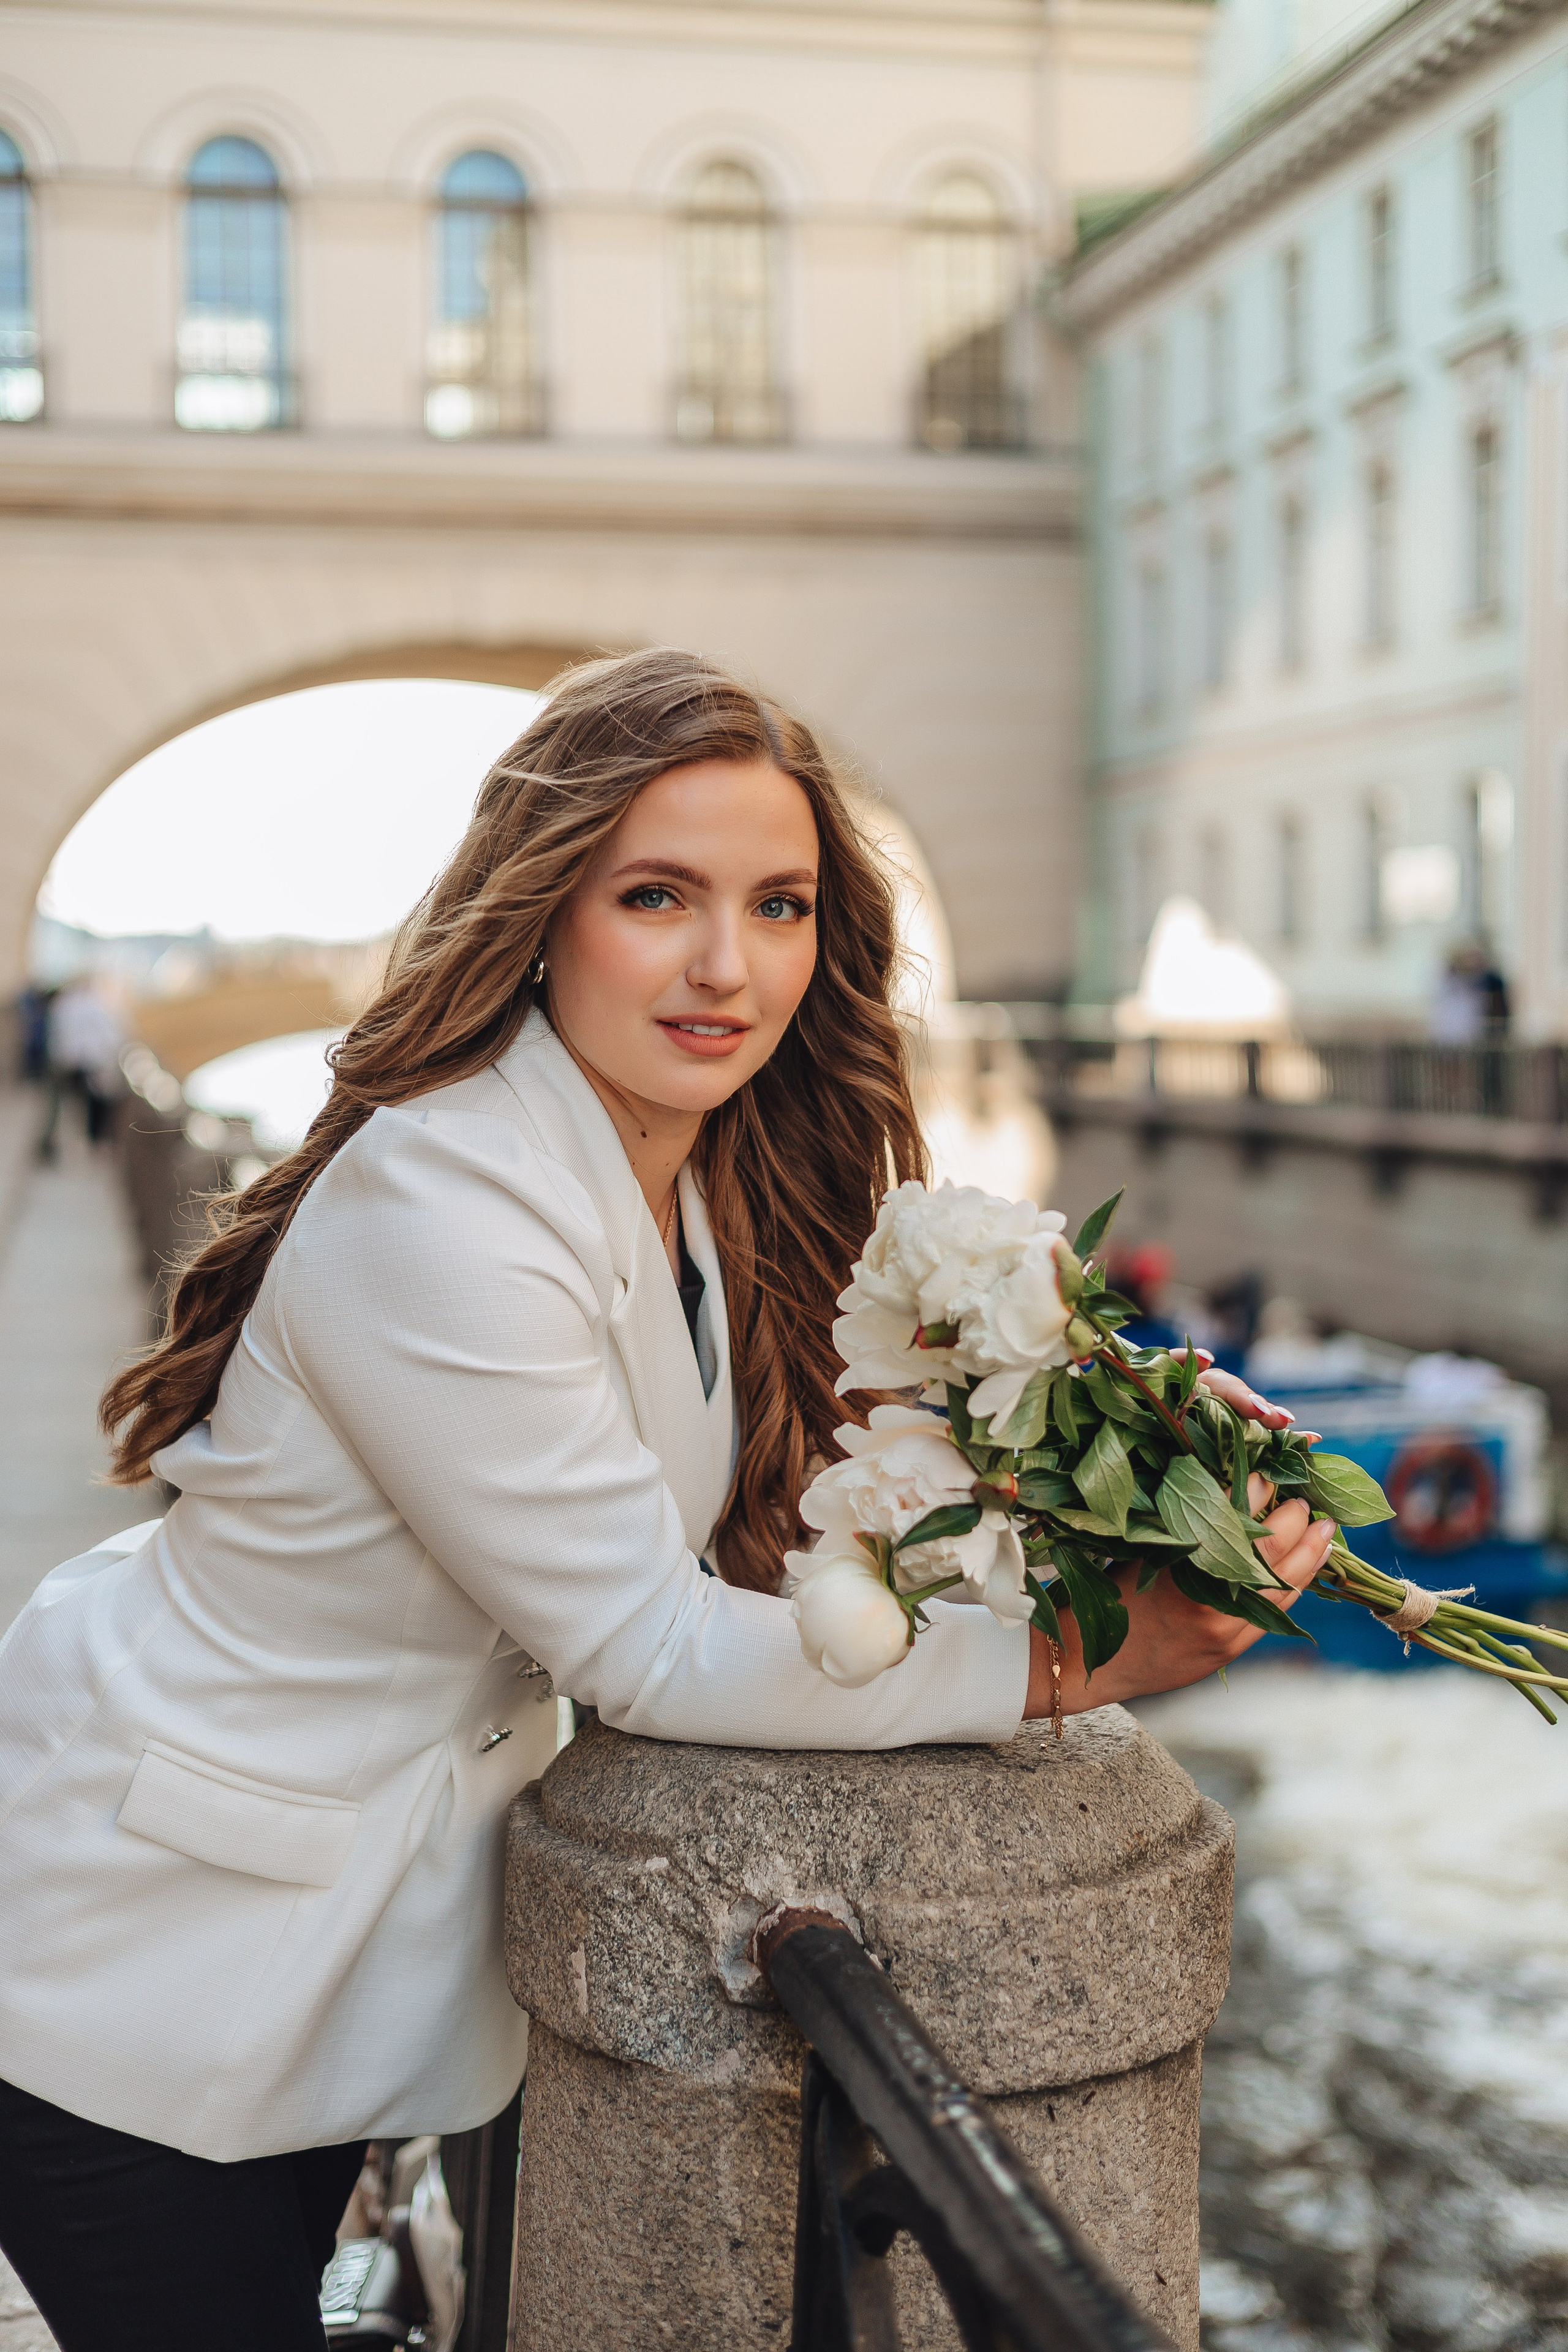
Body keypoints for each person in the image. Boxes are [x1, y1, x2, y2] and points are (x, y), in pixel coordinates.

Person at [0, 652, 1335, 2351]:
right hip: (140, 1959)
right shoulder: (449, 1198)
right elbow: (643, 1638)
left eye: (779, 905)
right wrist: (1083, 1666)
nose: (730, 965)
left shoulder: (684, 1170)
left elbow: (790, 1508)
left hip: (313, 1946)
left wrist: (1129, 1439)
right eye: (658, 896)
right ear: (541, 912)